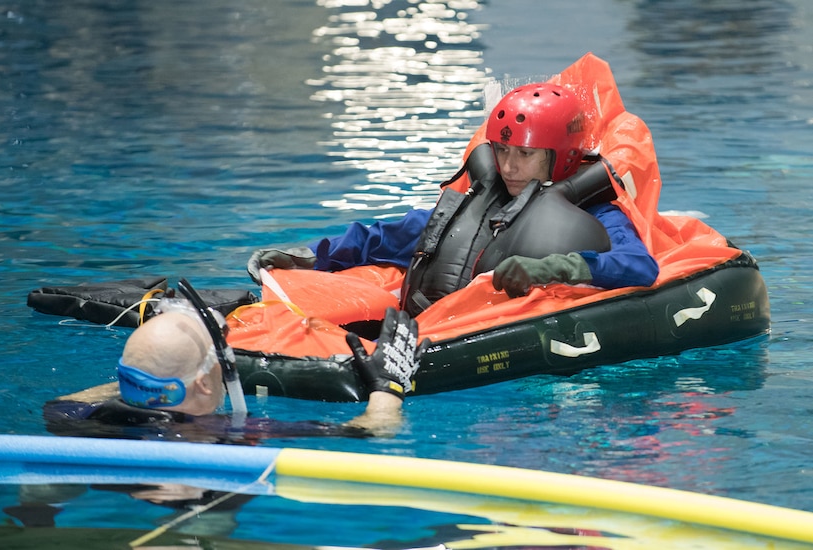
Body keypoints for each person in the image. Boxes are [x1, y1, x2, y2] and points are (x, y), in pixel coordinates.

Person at [247, 82, 659, 316]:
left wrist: (556, 265)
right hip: (428, 323)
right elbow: (383, 238)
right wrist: (309, 256)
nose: (509, 167)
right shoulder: (478, 200)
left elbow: (639, 267)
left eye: (525, 154)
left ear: (562, 156)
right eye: (501, 151)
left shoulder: (594, 212)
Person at [45, 298, 427, 439]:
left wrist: (148, 377)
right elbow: (373, 432)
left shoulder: (68, 414)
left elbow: (78, 398)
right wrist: (389, 385)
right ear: (205, 386)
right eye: (222, 362)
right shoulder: (223, 432)